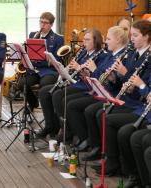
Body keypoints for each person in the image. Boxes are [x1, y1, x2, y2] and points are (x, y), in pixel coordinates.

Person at [92, 19, 151, 176]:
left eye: (135, 35)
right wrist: (115, 78)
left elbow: (144, 88)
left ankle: (121, 166)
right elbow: (128, 82)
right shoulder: (133, 55)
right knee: (104, 115)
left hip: (138, 105)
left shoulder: (147, 57)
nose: (131, 38)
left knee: (113, 122)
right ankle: (114, 162)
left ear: (146, 37)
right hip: (131, 99)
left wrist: (133, 81)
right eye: (131, 35)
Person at [66, 25, 130, 152]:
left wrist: (96, 72)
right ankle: (87, 140)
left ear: (118, 40)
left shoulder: (122, 56)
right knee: (71, 102)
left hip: (110, 94)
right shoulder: (110, 55)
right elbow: (101, 76)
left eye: (109, 39)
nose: (106, 41)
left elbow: (111, 82)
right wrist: (88, 74)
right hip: (102, 90)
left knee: (89, 110)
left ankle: (96, 145)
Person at [37, 28, 104, 139]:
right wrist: (64, 70)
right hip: (76, 82)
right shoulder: (83, 52)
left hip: (85, 86)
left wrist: (79, 68)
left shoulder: (101, 56)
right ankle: (51, 126)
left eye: (87, 40)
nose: (84, 42)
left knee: (58, 95)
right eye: (84, 39)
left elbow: (96, 77)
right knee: (44, 92)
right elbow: (75, 68)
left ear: (96, 41)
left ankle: (66, 128)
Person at [17, 12, 64, 117]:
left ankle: (48, 113)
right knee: (21, 83)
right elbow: (28, 52)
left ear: (51, 25)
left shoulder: (58, 39)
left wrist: (49, 58)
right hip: (34, 70)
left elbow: (58, 59)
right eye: (41, 22)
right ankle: (33, 103)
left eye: (46, 23)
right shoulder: (33, 35)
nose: (42, 25)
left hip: (49, 71)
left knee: (44, 86)